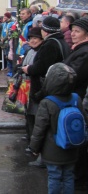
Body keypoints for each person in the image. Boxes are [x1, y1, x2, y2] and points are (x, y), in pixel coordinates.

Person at [29, 63, 88, 194]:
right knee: (68, 175)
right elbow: (84, 119)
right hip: (72, 147)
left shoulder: (47, 102)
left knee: (54, 176)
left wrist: (34, 148)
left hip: (53, 148)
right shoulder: (76, 98)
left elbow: (40, 128)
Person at [22, 16, 70, 167]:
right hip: (58, 88)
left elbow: (41, 67)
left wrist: (28, 69)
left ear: (46, 31)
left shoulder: (50, 44)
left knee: (44, 123)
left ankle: (44, 157)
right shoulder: (61, 42)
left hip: (48, 89)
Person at [63, 17, 88, 190]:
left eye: (77, 31)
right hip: (74, 98)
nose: (72, 33)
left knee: (79, 138)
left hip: (77, 99)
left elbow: (75, 74)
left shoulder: (84, 52)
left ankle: (79, 177)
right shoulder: (77, 49)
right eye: (72, 30)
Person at [19, 27, 44, 142]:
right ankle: (29, 135)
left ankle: (34, 140)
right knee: (27, 112)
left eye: (35, 38)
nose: (33, 41)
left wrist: (27, 70)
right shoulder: (30, 51)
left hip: (35, 86)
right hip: (26, 86)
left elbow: (37, 68)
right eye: (31, 38)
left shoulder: (42, 51)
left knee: (35, 114)